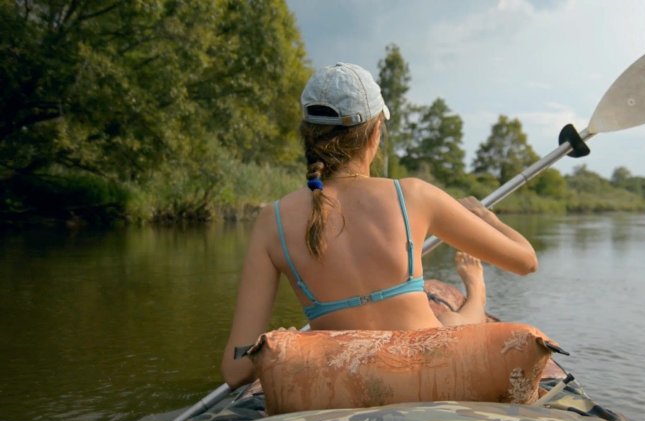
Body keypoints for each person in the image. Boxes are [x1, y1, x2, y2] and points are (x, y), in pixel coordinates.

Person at [221, 63, 537, 388]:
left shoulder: (271, 221)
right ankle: (477, 289)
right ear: (375, 133)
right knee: (451, 321)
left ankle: (475, 291)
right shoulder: (414, 195)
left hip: (347, 387)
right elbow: (526, 261)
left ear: (308, 135)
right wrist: (487, 218)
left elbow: (236, 371)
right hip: (431, 378)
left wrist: (277, 344)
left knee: (447, 320)